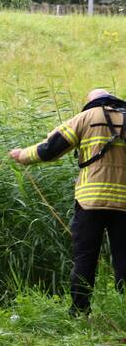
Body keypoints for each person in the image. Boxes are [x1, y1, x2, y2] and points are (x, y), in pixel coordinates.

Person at [10, 88, 126, 315]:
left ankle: (80, 311)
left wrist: (22, 155)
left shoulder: (86, 117)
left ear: (93, 102)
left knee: (85, 257)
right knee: (124, 257)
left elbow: (49, 149)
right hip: (123, 202)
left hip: (89, 202)